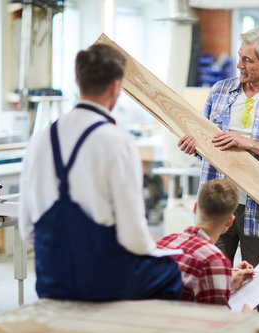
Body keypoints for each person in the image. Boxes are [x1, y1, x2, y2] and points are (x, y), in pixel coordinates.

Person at [19, 44, 182, 302]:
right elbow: (132, 239)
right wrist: (150, 245)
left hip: (51, 279)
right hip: (102, 281)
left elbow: (28, 231)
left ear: (77, 81)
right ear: (116, 87)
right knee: (172, 273)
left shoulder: (40, 139)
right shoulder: (117, 141)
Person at [177, 26, 259, 266]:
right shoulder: (220, 91)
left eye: (247, 60)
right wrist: (193, 146)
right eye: (240, 56)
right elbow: (204, 142)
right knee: (209, 276)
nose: (239, 65)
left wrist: (248, 144)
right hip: (216, 206)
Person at [157, 179, 254, 307]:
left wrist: (226, 281)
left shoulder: (164, 242)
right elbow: (217, 318)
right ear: (229, 221)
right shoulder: (214, 261)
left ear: (195, 207)